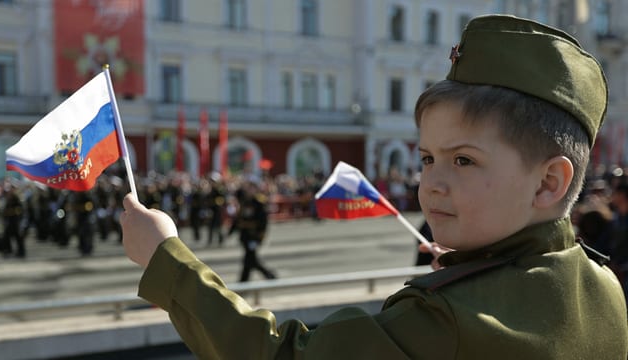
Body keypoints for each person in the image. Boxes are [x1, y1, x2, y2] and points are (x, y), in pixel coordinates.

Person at [120, 15, 628, 359]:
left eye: (464, 160)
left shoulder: (446, 319)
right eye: (428, 157)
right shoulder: (604, 286)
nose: (432, 182)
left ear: (548, 182)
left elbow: (281, 354)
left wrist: (167, 259)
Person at [228, 180, 276, 282]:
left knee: (249, 258)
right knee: (251, 259)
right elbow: (238, 219)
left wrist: (260, 236)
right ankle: (268, 276)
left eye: (251, 188)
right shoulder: (244, 202)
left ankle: (245, 281)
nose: (248, 191)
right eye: (247, 188)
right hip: (245, 236)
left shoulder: (258, 203)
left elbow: (263, 222)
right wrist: (231, 231)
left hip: (254, 235)